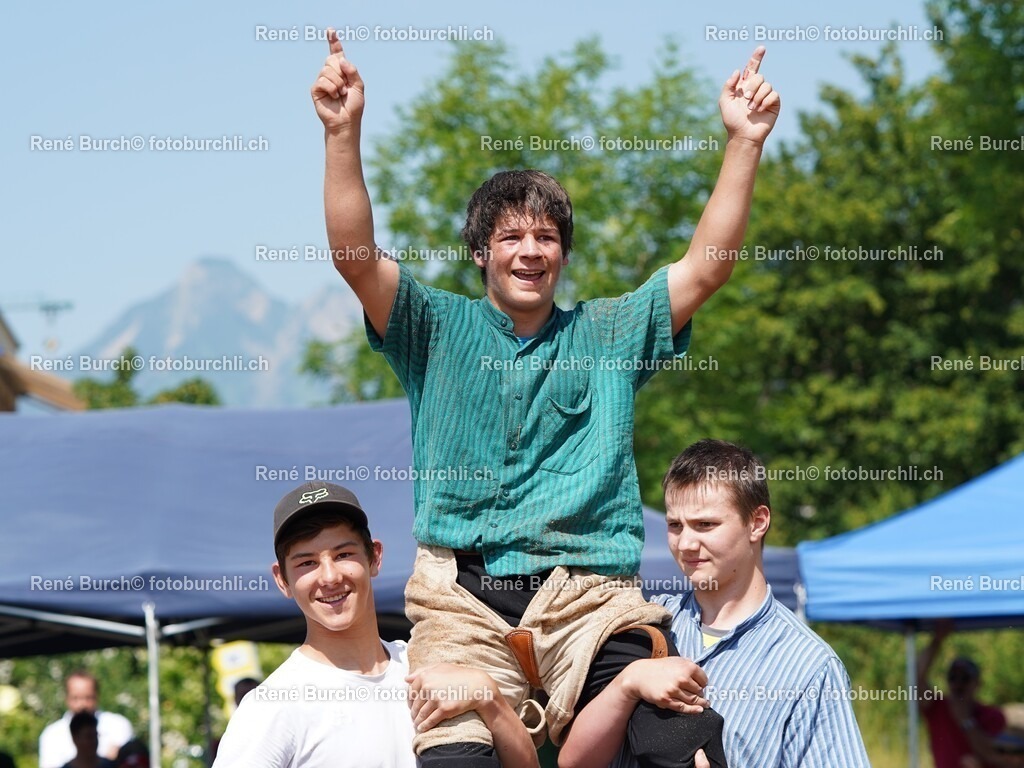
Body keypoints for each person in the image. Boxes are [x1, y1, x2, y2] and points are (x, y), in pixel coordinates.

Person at [313, 25, 781, 768]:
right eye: (510, 238)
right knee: (455, 760)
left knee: (679, 739)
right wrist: (343, 132)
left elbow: (707, 268)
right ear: (480, 254)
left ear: (563, 253)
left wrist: (744, 142)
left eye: (546, 237)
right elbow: (355, 257)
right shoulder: (432, 328)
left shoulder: (611, 332)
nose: (530, 250)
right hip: (461, 604)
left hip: (590, 601)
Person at [558, 439, 871, 767]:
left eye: (705, 525)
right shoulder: (640, 623)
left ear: (757, 522)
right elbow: (573, 763)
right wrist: (628, 683)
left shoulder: (809, 666)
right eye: (675, 525)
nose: (686, 543)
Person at [212, 481, 538, 768]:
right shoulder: (272, 705)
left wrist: (489, 698)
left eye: (343, 555)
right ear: (282, 580)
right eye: (307, 563)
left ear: (375, 557)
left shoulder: (428, 665)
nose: (329, 577)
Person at [918, 620, 1018, 768]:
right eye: (953, 677)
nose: (958, 684)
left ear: (977, 683)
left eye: (965, 678)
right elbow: (917, 679)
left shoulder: (992, 715)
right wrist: (937, 641)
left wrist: (966, 720)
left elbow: (993, 754)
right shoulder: (938, 708)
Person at [39, 672, 132, 768]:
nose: (82, 704)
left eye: (88, 698)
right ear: (66, 698)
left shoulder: (119, 726)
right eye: (76, 698)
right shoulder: (51, 735)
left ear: (97, 696)